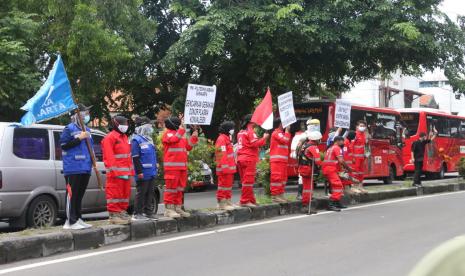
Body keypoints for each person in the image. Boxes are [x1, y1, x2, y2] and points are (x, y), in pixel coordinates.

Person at [60, 103, 94, 230]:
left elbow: (90, 148)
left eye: (87, 113)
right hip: (73, 167)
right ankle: (70, 221)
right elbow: (64, 145)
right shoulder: (69, 128)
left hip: (85, 166)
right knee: (71, 194)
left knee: (79, 195)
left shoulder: (87, 129)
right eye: (84, 113)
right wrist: (79, 138)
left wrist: (93, 162)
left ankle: (78, 218)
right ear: (77, 115)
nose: (86, 116)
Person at [162, 116, 198, 218]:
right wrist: (182, 130)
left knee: (179, 189)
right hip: (172, 167)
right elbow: (174, 139)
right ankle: (169, 209)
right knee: (171, 189)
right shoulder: (168, 133)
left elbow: (189, 147)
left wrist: (194, 136)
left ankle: (178, 208)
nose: (180, 125)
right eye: (178, 124)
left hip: (182, 167)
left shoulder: (181, 135)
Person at [102, 115, 134, 224]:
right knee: (114, 194)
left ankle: (121, 212)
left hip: (125, 172)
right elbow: (109, 156)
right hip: (115, 173)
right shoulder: (110, 138)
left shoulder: (124, 137)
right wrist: (114, 171)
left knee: (124, 195)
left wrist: (130, 170)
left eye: (126, 124)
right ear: (116, 124)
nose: (126, 126)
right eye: (124, 124)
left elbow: (127, 155)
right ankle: (114, 215)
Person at [237, 114, 269, 207]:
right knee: (248, 181)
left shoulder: (241, 131)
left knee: (245, 181)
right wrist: (265, 138)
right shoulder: (250, 131)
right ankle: (245, 201)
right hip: (249, 159)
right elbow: (255, 144)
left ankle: (251, 199)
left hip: (241, 159)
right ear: (251, 121)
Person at [131, 116, 158, 221]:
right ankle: (137, 213)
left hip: (151, 172)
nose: (151, 127)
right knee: (141, 193)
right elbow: (135, 157)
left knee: (150, 192)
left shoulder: (149, 140)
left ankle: (148, 212)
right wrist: (139, 172)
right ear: (143, 126)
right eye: (149, 125)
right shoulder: (136, 140)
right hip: (142, 172)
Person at [322, 136, 352, 211]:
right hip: (331, 169)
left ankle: (337, 202)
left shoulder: (330, 148)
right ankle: (331, 204)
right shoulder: (337, 148)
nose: (343, 143)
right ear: (338, 141)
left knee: (335, 186)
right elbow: (341, 160)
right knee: (338, 186)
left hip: (329, 169)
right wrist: (348, 168)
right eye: (342, 141)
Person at [297, 131, 322, 214]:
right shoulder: (313, 147)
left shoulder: (305, 145)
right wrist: (321, 166)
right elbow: (318, 161)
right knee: (308, 188)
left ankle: (305, 205)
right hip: (307, 169)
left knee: (306, 188)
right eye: (319, 139)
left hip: (303, 168)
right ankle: (306, 206)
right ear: (316, 139)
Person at [215, 121, 237, 211]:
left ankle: (228, 201)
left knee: (228, 186)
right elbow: (221, 154)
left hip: (229, 168)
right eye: (232, 128)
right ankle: (222, 203)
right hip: (224, 168)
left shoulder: (227, 138)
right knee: (223, 186)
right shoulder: (222, 139)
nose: (233, 130)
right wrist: (224, 167)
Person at [269, 118, 291, 203]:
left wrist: (286, 132)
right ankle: (275, 196)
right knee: (276, 178)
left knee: (283, 178)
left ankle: (281, 195)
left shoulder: (281, 133)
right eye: (283, 123)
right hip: (277, 160)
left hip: (282, 160)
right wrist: (287, 131)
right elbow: (285, 140)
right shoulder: (276, 133)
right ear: (279, 124)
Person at [352, 121, 369, 193]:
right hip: (355, 157)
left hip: (362, 157)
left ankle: (360, 187)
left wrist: (366, 154)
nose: (362, 127)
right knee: (355, 172)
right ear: (357, 126)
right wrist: (352, 156)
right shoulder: (355, 135)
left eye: (363, 126)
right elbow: (351, 146)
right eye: (360, 125)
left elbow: (365, 146)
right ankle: (354, 187)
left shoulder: (364, 135)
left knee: (361, 172)